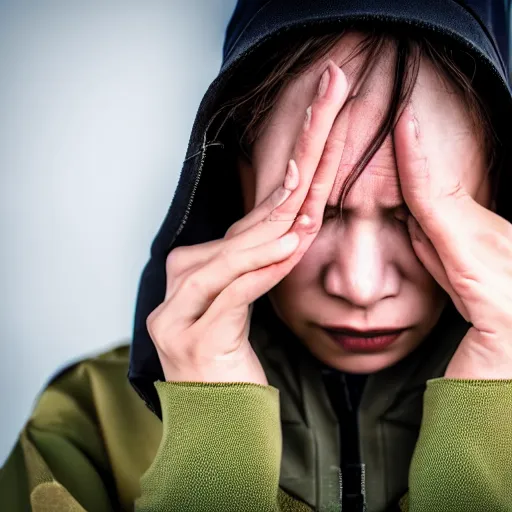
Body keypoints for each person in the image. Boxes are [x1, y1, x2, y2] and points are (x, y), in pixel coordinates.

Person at [1, 1, 512, 511]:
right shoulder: (86, 428)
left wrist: (492, 430)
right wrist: (215, 453)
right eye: (319, 210)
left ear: (494, 189)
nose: (359, 285)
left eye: (413, 216)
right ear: (240, 181)